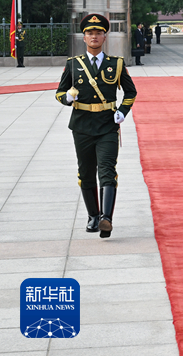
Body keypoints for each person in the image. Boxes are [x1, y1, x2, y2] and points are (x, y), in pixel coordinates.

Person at [55, 13, 137, 238]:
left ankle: (106, 218)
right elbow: (59, 93)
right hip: (81, 126)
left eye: (98, 33)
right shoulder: (73, 65)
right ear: (84, 38)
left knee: (108, 172)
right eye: (90, 33)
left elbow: (131, 92)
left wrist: (122, 111)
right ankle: (93, 215)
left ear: (104, 37)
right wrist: (68, 99)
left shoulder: (116, 64)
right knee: (86, 173)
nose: (94, 36)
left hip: (107, 126)